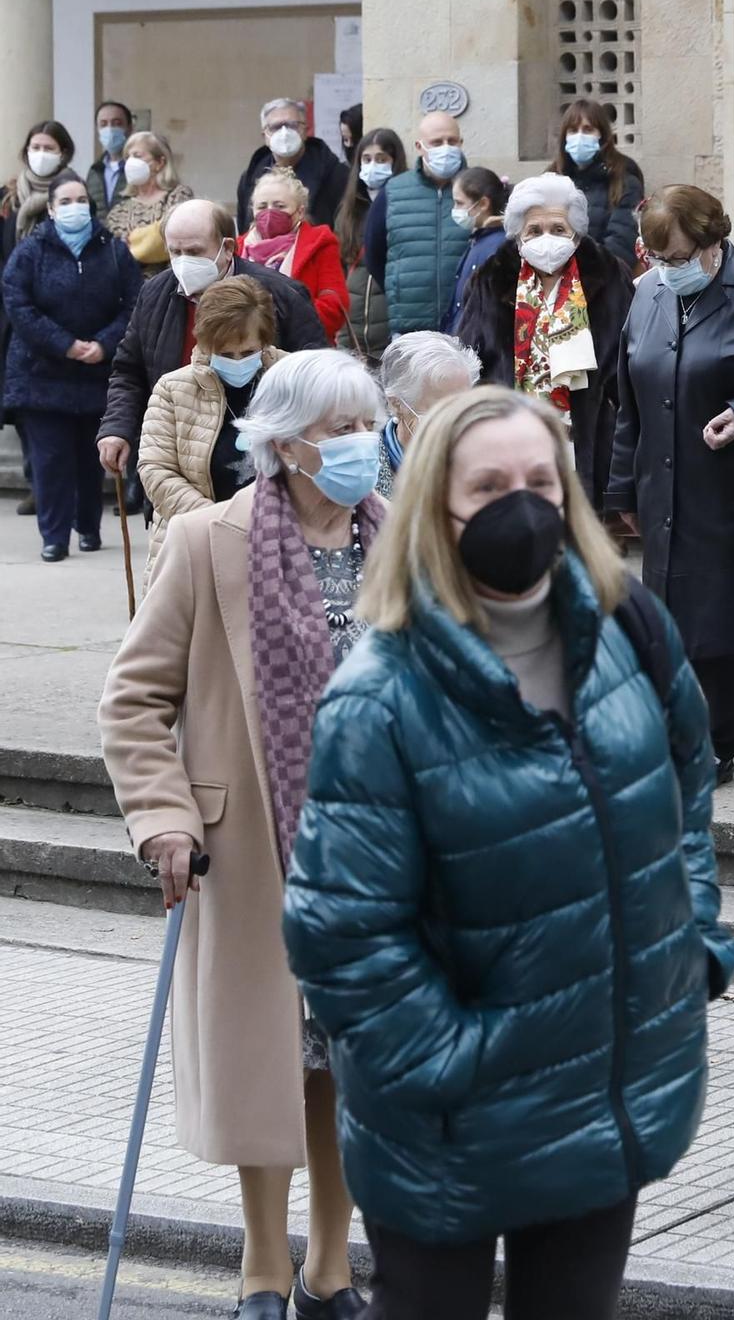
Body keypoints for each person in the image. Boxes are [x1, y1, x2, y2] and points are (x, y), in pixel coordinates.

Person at [282, 386, 734, 1320]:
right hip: (449, 1129)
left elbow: (688, 788)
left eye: (540, 480)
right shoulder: (381, 696)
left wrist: (689, 946)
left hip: (602, 1100)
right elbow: (341, 931)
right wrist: (455, 1063)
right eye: (487, 486)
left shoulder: (629, 629)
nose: (520, 505)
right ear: (435, 510)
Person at [99, 350, 385, 1320]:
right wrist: (165, 815)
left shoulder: (405, 543)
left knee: (352, 1066)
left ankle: (331, 1268)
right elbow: (133, 697)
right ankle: (264, 1266)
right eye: (339, 427)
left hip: (378, 857)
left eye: (367, 422)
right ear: (285, 438)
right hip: (257, 850)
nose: (361, 444)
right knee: (274, 1063)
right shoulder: (208, 539)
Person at [606, 184, 734, 775]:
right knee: (669, 619)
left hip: (730, 487)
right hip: (661, 483)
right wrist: (622, 488)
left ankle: (716, 740)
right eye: (657, 260)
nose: (668, 271)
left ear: (714, 243)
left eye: (679, 258)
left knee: (726, 620)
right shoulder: (649, 296)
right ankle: (677, 732)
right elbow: (630, 397)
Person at [96, 200, 327, 490]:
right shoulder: (154, 294)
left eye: (193, 252)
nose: (183, 261)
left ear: (227, 247)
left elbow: (317, 375)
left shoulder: (279, 294)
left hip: (262, 461)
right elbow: (129, 371)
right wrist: (117, 428)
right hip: (181, 455)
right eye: (174, 252)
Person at [457, 174, 632, 509]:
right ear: (518, 237)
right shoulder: (491, 280)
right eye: (534, 231)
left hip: (591, 445)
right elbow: (469, 364)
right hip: (510, 442)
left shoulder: (610, 276)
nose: (547, 239)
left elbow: (630, 372)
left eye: (558, 229)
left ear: (576, 234)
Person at [2, 171, 140, 561]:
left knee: (88, 457)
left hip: (98, 373)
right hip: (41, 374)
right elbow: (18, 304)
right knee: (50, 461)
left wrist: (103, 344)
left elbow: (133, 303)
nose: (74, 208)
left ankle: (88, 527)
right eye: (65, 202)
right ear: (50, 209)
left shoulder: (113, 250)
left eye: (81, 200)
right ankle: (54, 536)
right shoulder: (31, 251)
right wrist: (65, 345)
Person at [137, 277, 284, 576]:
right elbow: (155, 469)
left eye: (248, 353)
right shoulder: (173, 389)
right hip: (196, 544)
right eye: (226, 355)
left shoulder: (293, 378)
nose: (238, 362)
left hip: (278, 544)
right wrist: (219, 520)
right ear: (205, 343)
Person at [2, 120, 78, 514]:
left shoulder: (73, 197)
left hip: (62, 312)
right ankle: (39, 484)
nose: (42, 154)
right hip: (13, 314)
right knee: (23, 406)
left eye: (50, 147)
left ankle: (63, 485)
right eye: (36, 146)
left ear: (64, 152)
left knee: (61, 404)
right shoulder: (9, 197)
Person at [364, 111, 471, 337]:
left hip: (468, 323)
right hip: (410, 326)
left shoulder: (477, 188)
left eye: (452, 141)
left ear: (461, 143)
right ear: (420, 146)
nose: (446, 148)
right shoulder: (393, 192)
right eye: (436, 142)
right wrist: (400, 290)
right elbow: (374, 254)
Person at [242, 170, 350, 347]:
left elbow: (335, 307)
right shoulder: (237, 248)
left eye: (280, 206)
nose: (269, 213)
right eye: (262, 207)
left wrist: (272, 322)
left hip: (303, 353)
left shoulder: (320, 243)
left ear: (300, 212)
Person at [375, 330, 480, 495]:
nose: (457, 418)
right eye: (442, 407)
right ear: (397, 404)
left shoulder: (484, 457)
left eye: (464, 405)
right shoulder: (368, 471)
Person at [335, 129, 407, 366]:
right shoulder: (349, 210)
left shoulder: (403, 205)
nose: (373, 165)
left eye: (381, 159)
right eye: (367, 159)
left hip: (389, 326)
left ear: (395, 163)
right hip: (351, 330)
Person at [547, 98, 645, 269]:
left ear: (602, 135)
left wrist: (580, 273)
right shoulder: (552, 178)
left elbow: (621, 243)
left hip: (602, 280)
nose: (580, 136)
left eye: (588, 129)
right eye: (573, 130)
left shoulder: (624, 180)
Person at [236, 98, 348, 236]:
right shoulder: (249, 179)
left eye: (292, 125)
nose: (284, 132)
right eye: (276, 127)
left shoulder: (335, 174)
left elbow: (345, 230)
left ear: (305, 130)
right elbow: (244, 231)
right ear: (264, 135)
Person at [105, 131, 193, 274]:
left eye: (137, 156)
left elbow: (172, 240)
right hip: (130, 290)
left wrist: (133, 242)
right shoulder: (118, 211)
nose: (130, 162)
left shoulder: (178, 195)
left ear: (160, 162)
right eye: (127, 157)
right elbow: (115, 255)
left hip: (169, 286)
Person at [445, 165, 508, 331]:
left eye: (459, 203)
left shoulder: (497, 247)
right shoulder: (479, 240)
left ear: (483, 204)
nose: (455, 210)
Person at [87, 99, 133, 218]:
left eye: (117, 123)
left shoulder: (139, 167)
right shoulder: (94, 171)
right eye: (103, 124)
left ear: (129, 128)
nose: (110, 129)